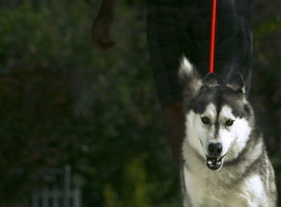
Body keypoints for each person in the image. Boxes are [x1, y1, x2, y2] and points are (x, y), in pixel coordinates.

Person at [91, 0, 255, 166]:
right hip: (164, 10)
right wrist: (107, 9)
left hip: (220, 8)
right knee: (176, 107)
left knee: (221, 105)